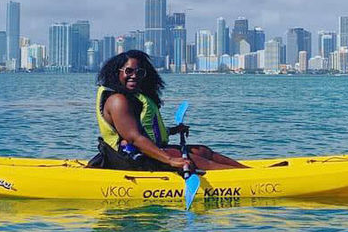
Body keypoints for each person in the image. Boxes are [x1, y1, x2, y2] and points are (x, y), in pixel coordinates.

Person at [93, 50, 246, 172]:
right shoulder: (117, 101)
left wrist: (172, 130)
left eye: (139, 73)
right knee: (195, 160)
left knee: (203, 152)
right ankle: (246, 179)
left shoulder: (130, 97)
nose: (134, 76)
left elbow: (143, 129)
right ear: (117, 73)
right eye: (129, 71)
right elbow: (134, 138)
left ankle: (249, 171)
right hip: (128, 158)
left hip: (141, 151)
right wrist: (170, 160)